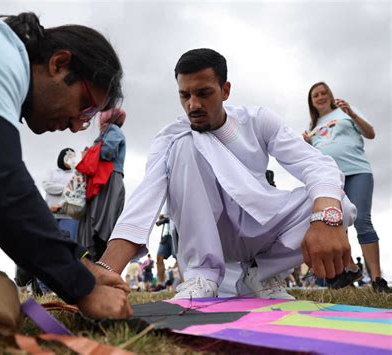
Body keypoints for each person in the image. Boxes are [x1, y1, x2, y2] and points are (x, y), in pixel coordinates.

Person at [0, 2, 131, 338]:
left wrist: (81, 265)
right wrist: (83, 288)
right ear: (60, 64)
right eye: (85, 105)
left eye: (90, 118)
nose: (78, 126)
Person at [99, 48, 356, 300]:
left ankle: (261, 275)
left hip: (263, 224)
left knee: (338, 204)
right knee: (186, 142)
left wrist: (326, 219)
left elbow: (315, 164)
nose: (193, 104)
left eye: (204, 93)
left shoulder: (258, 120)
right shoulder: (170, 137)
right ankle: (202, 277)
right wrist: (105, 270)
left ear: (225, 90)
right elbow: (144, 201)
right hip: (212, 234)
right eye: (185, 95)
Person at [303, 82, 390, 293]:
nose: (321, 97)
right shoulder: (311, 127)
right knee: (336, 222)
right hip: (330, 177)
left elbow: (370, 133)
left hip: (357, 170)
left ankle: (377, 280)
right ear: (312, 102)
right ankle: (347, 275)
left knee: (362, 220)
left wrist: (350, 112)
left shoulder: (345, 113)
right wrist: (306, 143)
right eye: (316, 95)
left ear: (331, 95)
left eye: (324, 93)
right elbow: (310, 156)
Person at [77, 108, 126, 260]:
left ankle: (102, 264)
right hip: (104, 181)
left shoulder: (113, 130)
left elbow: (107, 152)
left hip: (108, 181)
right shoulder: (108, 132)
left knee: (102, 224)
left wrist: (91, 152)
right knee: (100, 223)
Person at [43, 148, 80, 241]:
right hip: (50, 216)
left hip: (69, 217)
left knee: (68, 244)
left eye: (73, 157)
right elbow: (47, 186)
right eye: (68, 157)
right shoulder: (51, 172)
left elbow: (76, 193)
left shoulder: (76, 175)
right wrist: (67, 188)